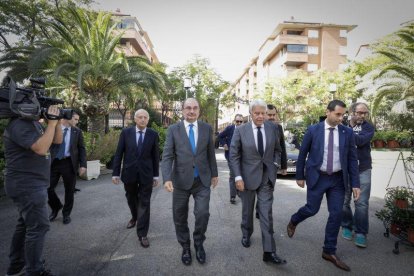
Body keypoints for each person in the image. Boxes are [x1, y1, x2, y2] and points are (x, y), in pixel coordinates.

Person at [286, 100, 360, 271]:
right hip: (317, 176)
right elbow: (302, 153)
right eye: (338, 114)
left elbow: (351, 159)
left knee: (336, 213)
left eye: (343, 115)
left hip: (337, 180)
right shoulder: (313, 130)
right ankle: (294, 220)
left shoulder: (347, 132)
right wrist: (299, 176)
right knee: (312, 209)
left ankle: (329, 250)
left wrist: (355, 183)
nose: (341, 118)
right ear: (328, 112)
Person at [4, 106, 62, 276]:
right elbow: (41, 148)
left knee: (25, 224)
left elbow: (57, 141)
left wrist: (55, 123)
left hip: (32, 184)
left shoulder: (33, 124)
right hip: (26, 185)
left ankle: (17, 265)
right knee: (39, 226)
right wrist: (51, 124)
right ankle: (34, 271)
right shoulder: (19, 124)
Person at [162, 98, 218, 266]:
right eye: (188, 108)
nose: (191, 111)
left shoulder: (207, 128)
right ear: (183, 110)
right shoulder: (173, 129)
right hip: (180, 181)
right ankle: (185, 247)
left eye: (194, 108)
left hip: (202, 180)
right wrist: (167, 178)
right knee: (179, 216)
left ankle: (199, 243)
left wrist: (214, 174)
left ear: (199, 110)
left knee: (202, 214)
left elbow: (210, 154)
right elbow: (167, 155)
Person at [229, 99, 286, 265]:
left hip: (266, 177)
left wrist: (275, 165)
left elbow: (277, 149)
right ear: (251, 114)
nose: (261, 116)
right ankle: (246, 233)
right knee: (247, 211)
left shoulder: (273, 128)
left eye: (264, 113)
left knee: (266, 213)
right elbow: (234, 155)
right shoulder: (241, 130)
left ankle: (269, 251)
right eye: (257, 113)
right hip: (246, 178)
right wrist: (238, 177)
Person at [112, 109, 160, 248]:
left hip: (146, 174)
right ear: (135, 119)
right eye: (140, 117)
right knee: (131, 198)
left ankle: (142, 234)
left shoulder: (153, 134)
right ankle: (134, 217)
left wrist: (156, 175)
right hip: (129, 173)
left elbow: (155, 156)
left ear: (148, 119)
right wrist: (115, 173)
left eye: (145, 117)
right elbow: (119, 153)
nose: (143, 119)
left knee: (144, 203)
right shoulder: (126, 133)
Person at [341, 102, 374, 248]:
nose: (362, 115)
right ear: (352, 112)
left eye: (365, 113)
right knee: (343, 201)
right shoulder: (342, 125)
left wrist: (347, 132)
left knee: (361, 203)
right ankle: (347, 226)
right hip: (345, 170)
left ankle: (361, 232)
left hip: (363, 169)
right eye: (360, 112)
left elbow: (360, 141)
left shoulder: (368, 127)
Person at [48, 112, 87, 224]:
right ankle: (56, 207)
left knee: (69, 191)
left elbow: (81, 148)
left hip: (69, 163)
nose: (77, 121)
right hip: (54, 163)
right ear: (68, 118)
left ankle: (66, 214)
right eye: (75, 119)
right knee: (47, 188)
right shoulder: (54, 127)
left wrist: (83, 165)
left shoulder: (77, 131)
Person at [217, 114, 244, 204]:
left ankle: (238, 190)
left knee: (241, 174)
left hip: (243, 157)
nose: (239, 123)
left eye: (241, 121)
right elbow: (220, 136)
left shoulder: (246, 129)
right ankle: (233, 196)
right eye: (237, 121)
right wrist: (224, 144)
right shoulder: (230, 128)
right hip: (231, 156)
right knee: (233, 175)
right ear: (234, 121)